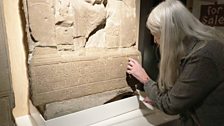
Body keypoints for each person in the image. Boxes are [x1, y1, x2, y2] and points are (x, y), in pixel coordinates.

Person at [127, 0, 224, 125]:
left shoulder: (203, 56)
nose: (156, 41)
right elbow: (185, 93)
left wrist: (145, 79)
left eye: (157, 36)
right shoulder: (201, 45)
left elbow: (171, 105)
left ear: (169, 34)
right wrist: (157, 99)